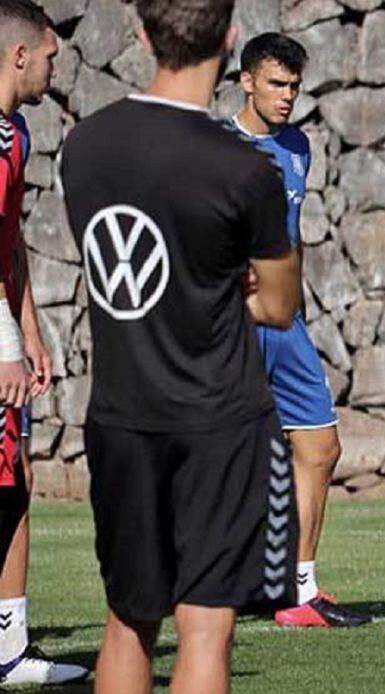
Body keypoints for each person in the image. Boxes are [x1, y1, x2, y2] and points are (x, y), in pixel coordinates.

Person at [60, 1, 301, 691]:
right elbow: (279, 307)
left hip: (120, 415)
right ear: (230, 40)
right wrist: (234, 283)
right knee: (205, 628)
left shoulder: (86, 145)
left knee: (127, 621)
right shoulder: (245, 168)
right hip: (219, 423)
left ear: (140, 36)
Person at [230, 32, 368, 629]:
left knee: (320, 445)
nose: (286, 97)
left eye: (293, 86)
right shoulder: (213, 147)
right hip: (228, 326)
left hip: (285, 325)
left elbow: (295, 234)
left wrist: (298, 306)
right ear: (246, 82)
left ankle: (298, 590)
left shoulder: (297, 148)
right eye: (275, 84)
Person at [0, 2, 84, 684]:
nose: (59, 66)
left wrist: (28, 328)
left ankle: (10, 648)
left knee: (13, 482)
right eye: (52, 55)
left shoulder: (17, 134)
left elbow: (8, 242)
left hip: (3, 332)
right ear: (19, 54)